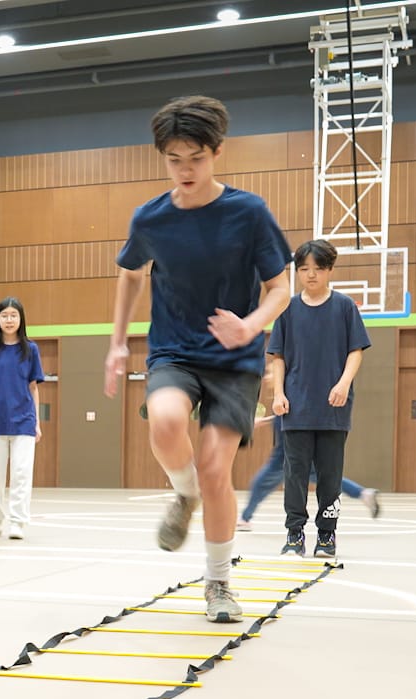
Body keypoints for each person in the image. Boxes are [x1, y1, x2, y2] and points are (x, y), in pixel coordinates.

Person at [101, 95, 292, 622]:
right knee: (164, 423)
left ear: (218, 153)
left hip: (235, 358)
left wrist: (250, 325)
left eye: (197, 159)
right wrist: (118, 341)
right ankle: (183, 496)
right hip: (173, 349)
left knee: (214, 467)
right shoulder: (152, 218)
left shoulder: (248, 213)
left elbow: (281, 288)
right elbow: (132, 273)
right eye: (174, 160)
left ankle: (219, 582)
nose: (186, 170)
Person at [267, 239, 372, 558]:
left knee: (330, 475)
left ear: (329, 270)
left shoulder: (344, 307)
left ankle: (327, 536)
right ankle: (294, 534)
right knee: (294, 474)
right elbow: (278, 356)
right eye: (304, 269)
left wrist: (342, 383)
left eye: (318, 269)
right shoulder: (287, 309)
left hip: (333, 408)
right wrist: (278, 393)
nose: (311, 275)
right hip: (295, 407)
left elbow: (356, 351)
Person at [0, 297, 46, 539]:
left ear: (21, 319)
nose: (9, 319)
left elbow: (34, 387)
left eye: (14, 315)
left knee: (22, 473)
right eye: (5, 315)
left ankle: (18, 522)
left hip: (23, 420)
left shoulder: (30, 349)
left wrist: (36, 421)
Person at [237, 412, 381, 530]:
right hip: (295, 451)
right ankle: (363, 493)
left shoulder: (288, 390)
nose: (268, 379)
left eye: (270, 376)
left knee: (260, 483)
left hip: (286, 454)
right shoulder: (286, 395)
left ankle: (245, 518)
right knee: (325, 478)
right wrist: (264, 420)